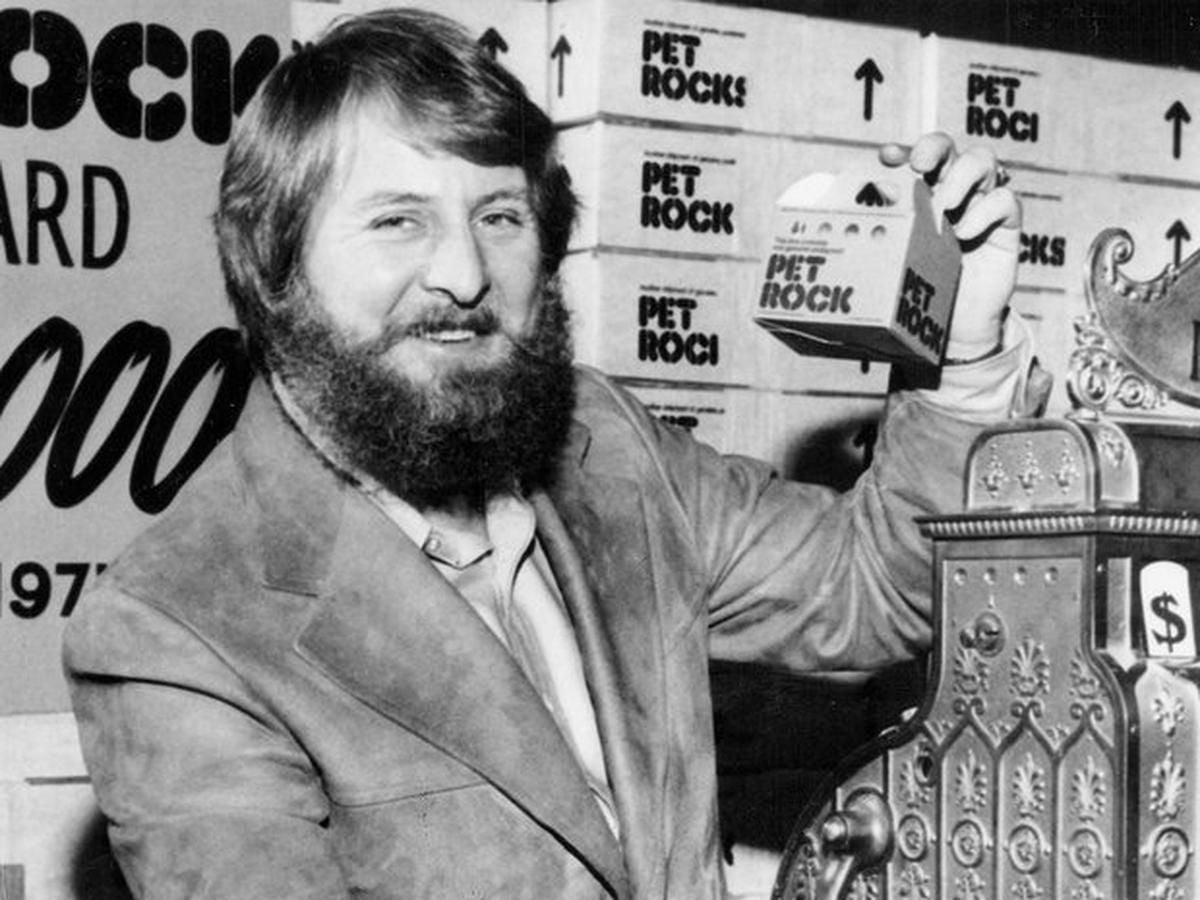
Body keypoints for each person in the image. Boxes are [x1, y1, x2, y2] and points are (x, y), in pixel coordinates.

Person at [63, 7, 1045, 899]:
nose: (461, 273)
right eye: (398, 220)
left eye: (498, 218)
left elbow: (870, 589)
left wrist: (962, 353)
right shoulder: (175, 625)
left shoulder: (601, 445)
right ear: (275, 269)